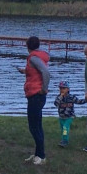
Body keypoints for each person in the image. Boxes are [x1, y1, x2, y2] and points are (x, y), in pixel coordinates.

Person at [17, 35, 50, 165]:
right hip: (35, 94)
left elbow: (46, 72)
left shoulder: (34, 58)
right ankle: (37, 154)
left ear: (27, 46)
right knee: (37, 125)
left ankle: (41, 156)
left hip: (36, 94)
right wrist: (24, 71)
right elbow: (36, 72)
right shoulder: (38, 57)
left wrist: (44, 89)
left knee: (34, 126)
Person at [53, 80, 86, 148]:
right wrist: (60, 97)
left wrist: (86, 100)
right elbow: (56, 104)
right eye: (60, 88)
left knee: (65, 128)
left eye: (64, 88)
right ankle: (63, 139)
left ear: (68, 89)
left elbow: (79, 101)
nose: (62, 90)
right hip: (61, 117)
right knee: (63, 129)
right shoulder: (58, 97)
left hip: (69, 117)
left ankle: (65, 141)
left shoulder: (71, 97)